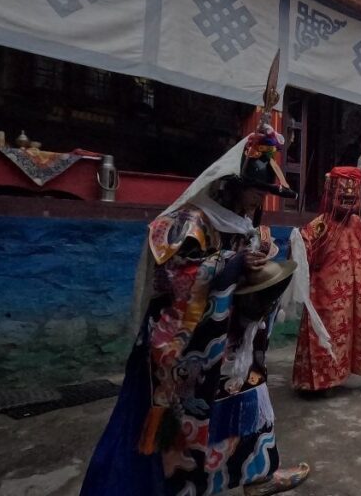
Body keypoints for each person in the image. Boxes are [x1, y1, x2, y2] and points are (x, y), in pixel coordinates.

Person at [82, 124, 309, 496]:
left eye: (264, 193)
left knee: (250, 401)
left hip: (234, 344)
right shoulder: (191, 220)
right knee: (184, 423)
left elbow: (247, 274)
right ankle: (183, 486)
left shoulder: (245, 223)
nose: (259, 201)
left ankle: (257, 471)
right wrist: (230, 265)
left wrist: (258, 265)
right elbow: (175, 276)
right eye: (255, 191)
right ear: (232, 185)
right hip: (189, 347)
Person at [291, 166, 361, 396]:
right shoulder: (320, 224)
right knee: (327, 336)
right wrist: (296, 246)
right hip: (327, 295)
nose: (348, 199)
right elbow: (302, 252)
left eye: (353, 195)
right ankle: (322, 382)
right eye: (343, 194)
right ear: (331, 193)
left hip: (359, 294)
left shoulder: (358, 224)